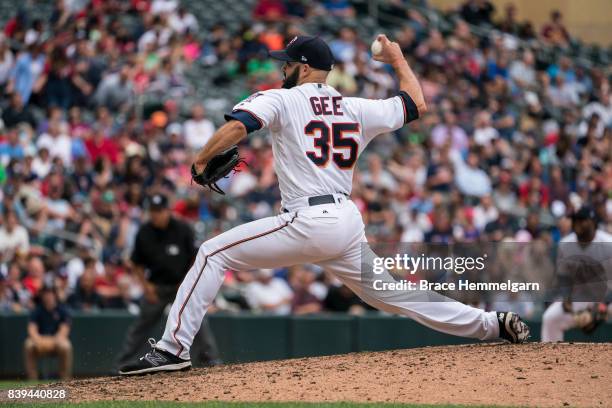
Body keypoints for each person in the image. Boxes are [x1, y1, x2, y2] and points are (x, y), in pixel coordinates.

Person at [119, 34, 530, 375]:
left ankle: (173, 349)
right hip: (346, 224)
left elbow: (237, 127)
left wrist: (200, 160)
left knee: (211, 253)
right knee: (394, 294)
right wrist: (398, 59)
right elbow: (415, 104)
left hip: (308, 219)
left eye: (287, 63)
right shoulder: (355, 107)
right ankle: (491, 325)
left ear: (303, 67)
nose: (282, 69)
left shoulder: (282, 99)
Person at [115, 193, 221, 371]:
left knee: (197, 322)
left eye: (159, 211)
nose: (155, 215)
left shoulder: (182, 228)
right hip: (156, 287)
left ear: (167, 211)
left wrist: (187, 282)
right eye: (153, 211)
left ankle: (211, 360)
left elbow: (196, 257)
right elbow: (136, 263)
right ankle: (121, 364)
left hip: (181, 285)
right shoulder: (145, 231)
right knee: (141, 326)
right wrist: (146, 287)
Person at [541, 206, 612, 342]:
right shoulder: (566, 244)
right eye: (575, 220)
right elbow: (563, 277)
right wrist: (566, 297)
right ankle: (549, 359)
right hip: (580, 299)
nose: (577, 223)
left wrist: (602, 306)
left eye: (582, 220)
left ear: (593, 222)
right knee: (550, 318)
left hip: (607, 298)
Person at [24, 286, 73, 380]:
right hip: (39, 340)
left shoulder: (62, 310)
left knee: (66, 346)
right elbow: (32, 329)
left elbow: (64, 331)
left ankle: (65, 379)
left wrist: (52, 342)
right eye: (45, 293)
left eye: (50, 293)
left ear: (55, 295)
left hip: (56, 341)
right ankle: (32, 379)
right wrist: (39, 340)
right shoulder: (37, 310)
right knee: (28, 345)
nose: (48, 296)